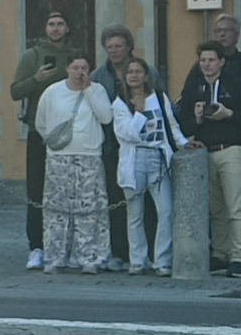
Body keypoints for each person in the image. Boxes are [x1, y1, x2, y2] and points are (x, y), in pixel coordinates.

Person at [11, 11, 85, 270]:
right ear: (45, 28)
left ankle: (69, 245)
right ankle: (37, 246)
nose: (55, 29)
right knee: (37, 190)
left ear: (67, 28)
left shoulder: (76, 56)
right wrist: (36, 79)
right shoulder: (32, 56)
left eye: (60, 24)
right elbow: (15, 90)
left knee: (70, 192)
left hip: (74, 134)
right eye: (51, 24)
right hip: (39, 133)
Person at [35, 55, 115, 273]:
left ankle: (90, 256)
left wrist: (88, 90)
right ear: (68, 68)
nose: (80, 71)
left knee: (89, 208)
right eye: (75, 67)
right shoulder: (52, 92)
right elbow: (41, 122)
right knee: (56, 209)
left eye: (84, 67)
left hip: (89, 154)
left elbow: (106, 117)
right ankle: (55, 256)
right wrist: (55, 143)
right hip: (59, 156)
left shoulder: (97, 90)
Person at [113, 57, 189, 276]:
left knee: (165, 211)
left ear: (146, 76)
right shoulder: (120, 103)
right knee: (135, 213)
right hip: (135, 158)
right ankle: (138, 259)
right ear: (124, 77)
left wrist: (184, 143)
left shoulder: (159, 97)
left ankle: (162, 260)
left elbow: (171, 126)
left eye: (138, 71)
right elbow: (127, 134)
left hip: (158, 157)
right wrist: (139, 112)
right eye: (130, 72)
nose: (134, 76)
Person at [179, 40, 241, 276]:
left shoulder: (234, 83)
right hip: (206, 150)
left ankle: (238, 256)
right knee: (216, 209)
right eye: (203, 60)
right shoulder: (194, 86)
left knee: (235, 207)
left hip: (231, 149)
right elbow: (182, 123)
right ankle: (220, 253)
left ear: (222, 62)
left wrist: (230, 113)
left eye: (211, 60)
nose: (206, 65)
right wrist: (195, 121)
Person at [94, 24, 136, 271]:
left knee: (144, 203)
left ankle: (145, 252)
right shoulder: (99, 76)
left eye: (118, 46)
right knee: (115, 202)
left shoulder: (146, 71)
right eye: (109, 47)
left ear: (128, 47)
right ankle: (119, 251)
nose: (114, 50)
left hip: (140, 146)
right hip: (111, 148)